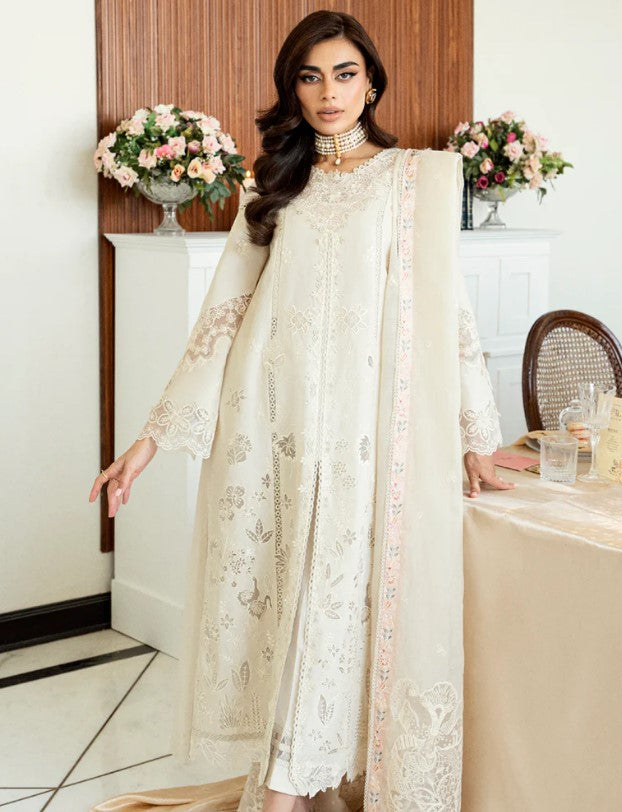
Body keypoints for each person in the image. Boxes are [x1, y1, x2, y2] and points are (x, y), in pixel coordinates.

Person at [89, 10, 514, 812]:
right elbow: (224, 312)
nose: (328, 93)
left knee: (337, 600)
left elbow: (448, 312)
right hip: (270, 426)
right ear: (291, 88)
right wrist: (148, 440)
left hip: (366, 433)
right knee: (283, 600)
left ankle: (292, 791)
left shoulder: (409, 180)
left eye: (344, 74)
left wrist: (473, 435)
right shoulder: (272, 183)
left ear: (371, 83)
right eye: (310, 77)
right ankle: (287, 782)